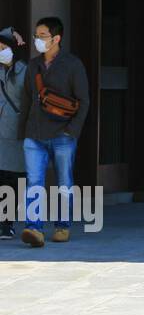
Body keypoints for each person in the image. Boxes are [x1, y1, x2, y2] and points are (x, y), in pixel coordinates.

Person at [18, 17, 90, 247]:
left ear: (56, 38)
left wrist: (72, 132)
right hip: (34, 134)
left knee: (64, 184)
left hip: (63, 136)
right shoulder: (33, 65)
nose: (37, 40)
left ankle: (62, 226)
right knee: (34, 182)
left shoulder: (72, 64)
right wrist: (25, 131)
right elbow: (27, 99)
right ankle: (34, 228)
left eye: (42, 36)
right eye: (36, 36)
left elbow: (84, 101)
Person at [0, 27, 27, 240]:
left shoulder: (25, 72)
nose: (1, 51)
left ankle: (10, 222)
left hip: (18, 134)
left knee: (17, 180)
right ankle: (4, 223)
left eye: (4, 47)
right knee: (2, 179)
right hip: (1, 134)